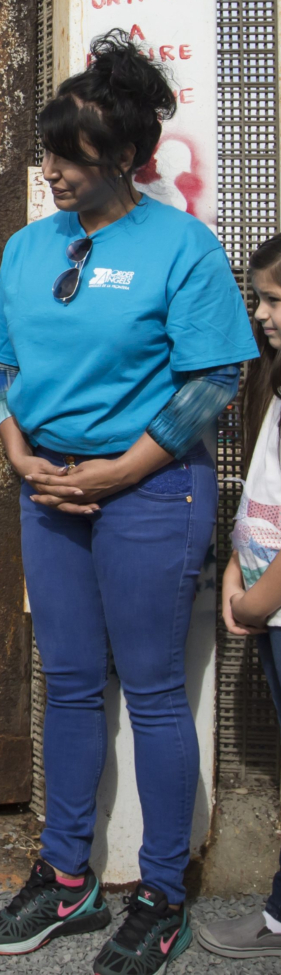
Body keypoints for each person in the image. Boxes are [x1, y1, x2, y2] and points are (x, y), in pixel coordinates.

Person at [0, 31, 257, 975]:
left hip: (147, 494)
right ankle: (68, 878)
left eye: (69, 155)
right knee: (69, 683)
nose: (48, 169)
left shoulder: (181, 244)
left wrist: (119, 471)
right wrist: (19, 450)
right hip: (48, 488)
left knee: (158, 694)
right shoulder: (29, 244)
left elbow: (213, 379)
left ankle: (162, 892)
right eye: (48, 151)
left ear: (126, 159)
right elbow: (2, 361)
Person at [198, 234, 281, 961]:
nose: (262, 315)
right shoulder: (275, 381)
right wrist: (235, 564)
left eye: (276, 300)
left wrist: (259, 600)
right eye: (259, 299)